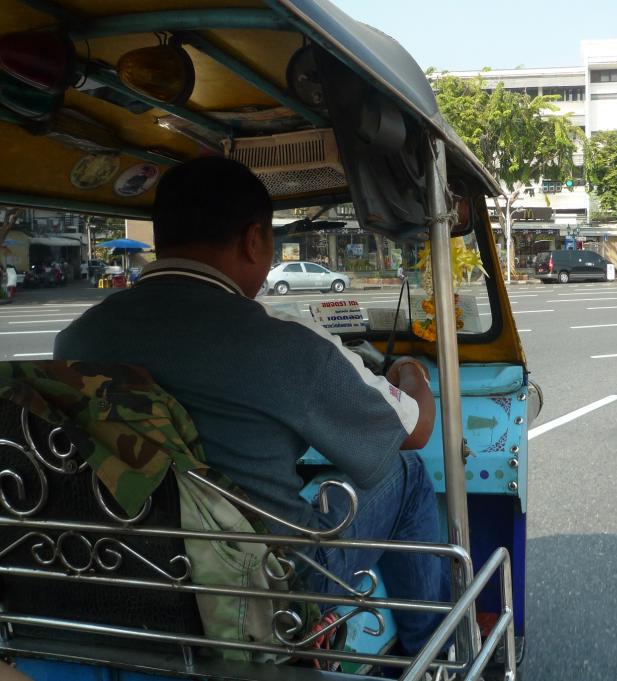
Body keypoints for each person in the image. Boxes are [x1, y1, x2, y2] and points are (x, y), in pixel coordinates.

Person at [54, 158, 445, 654]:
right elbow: (414, 430)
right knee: (408, 472)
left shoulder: (78, 337)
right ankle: (434, 651)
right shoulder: (282, 344)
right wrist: (412, 373)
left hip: (128, 564)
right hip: (271, 583)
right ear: (253, 241)